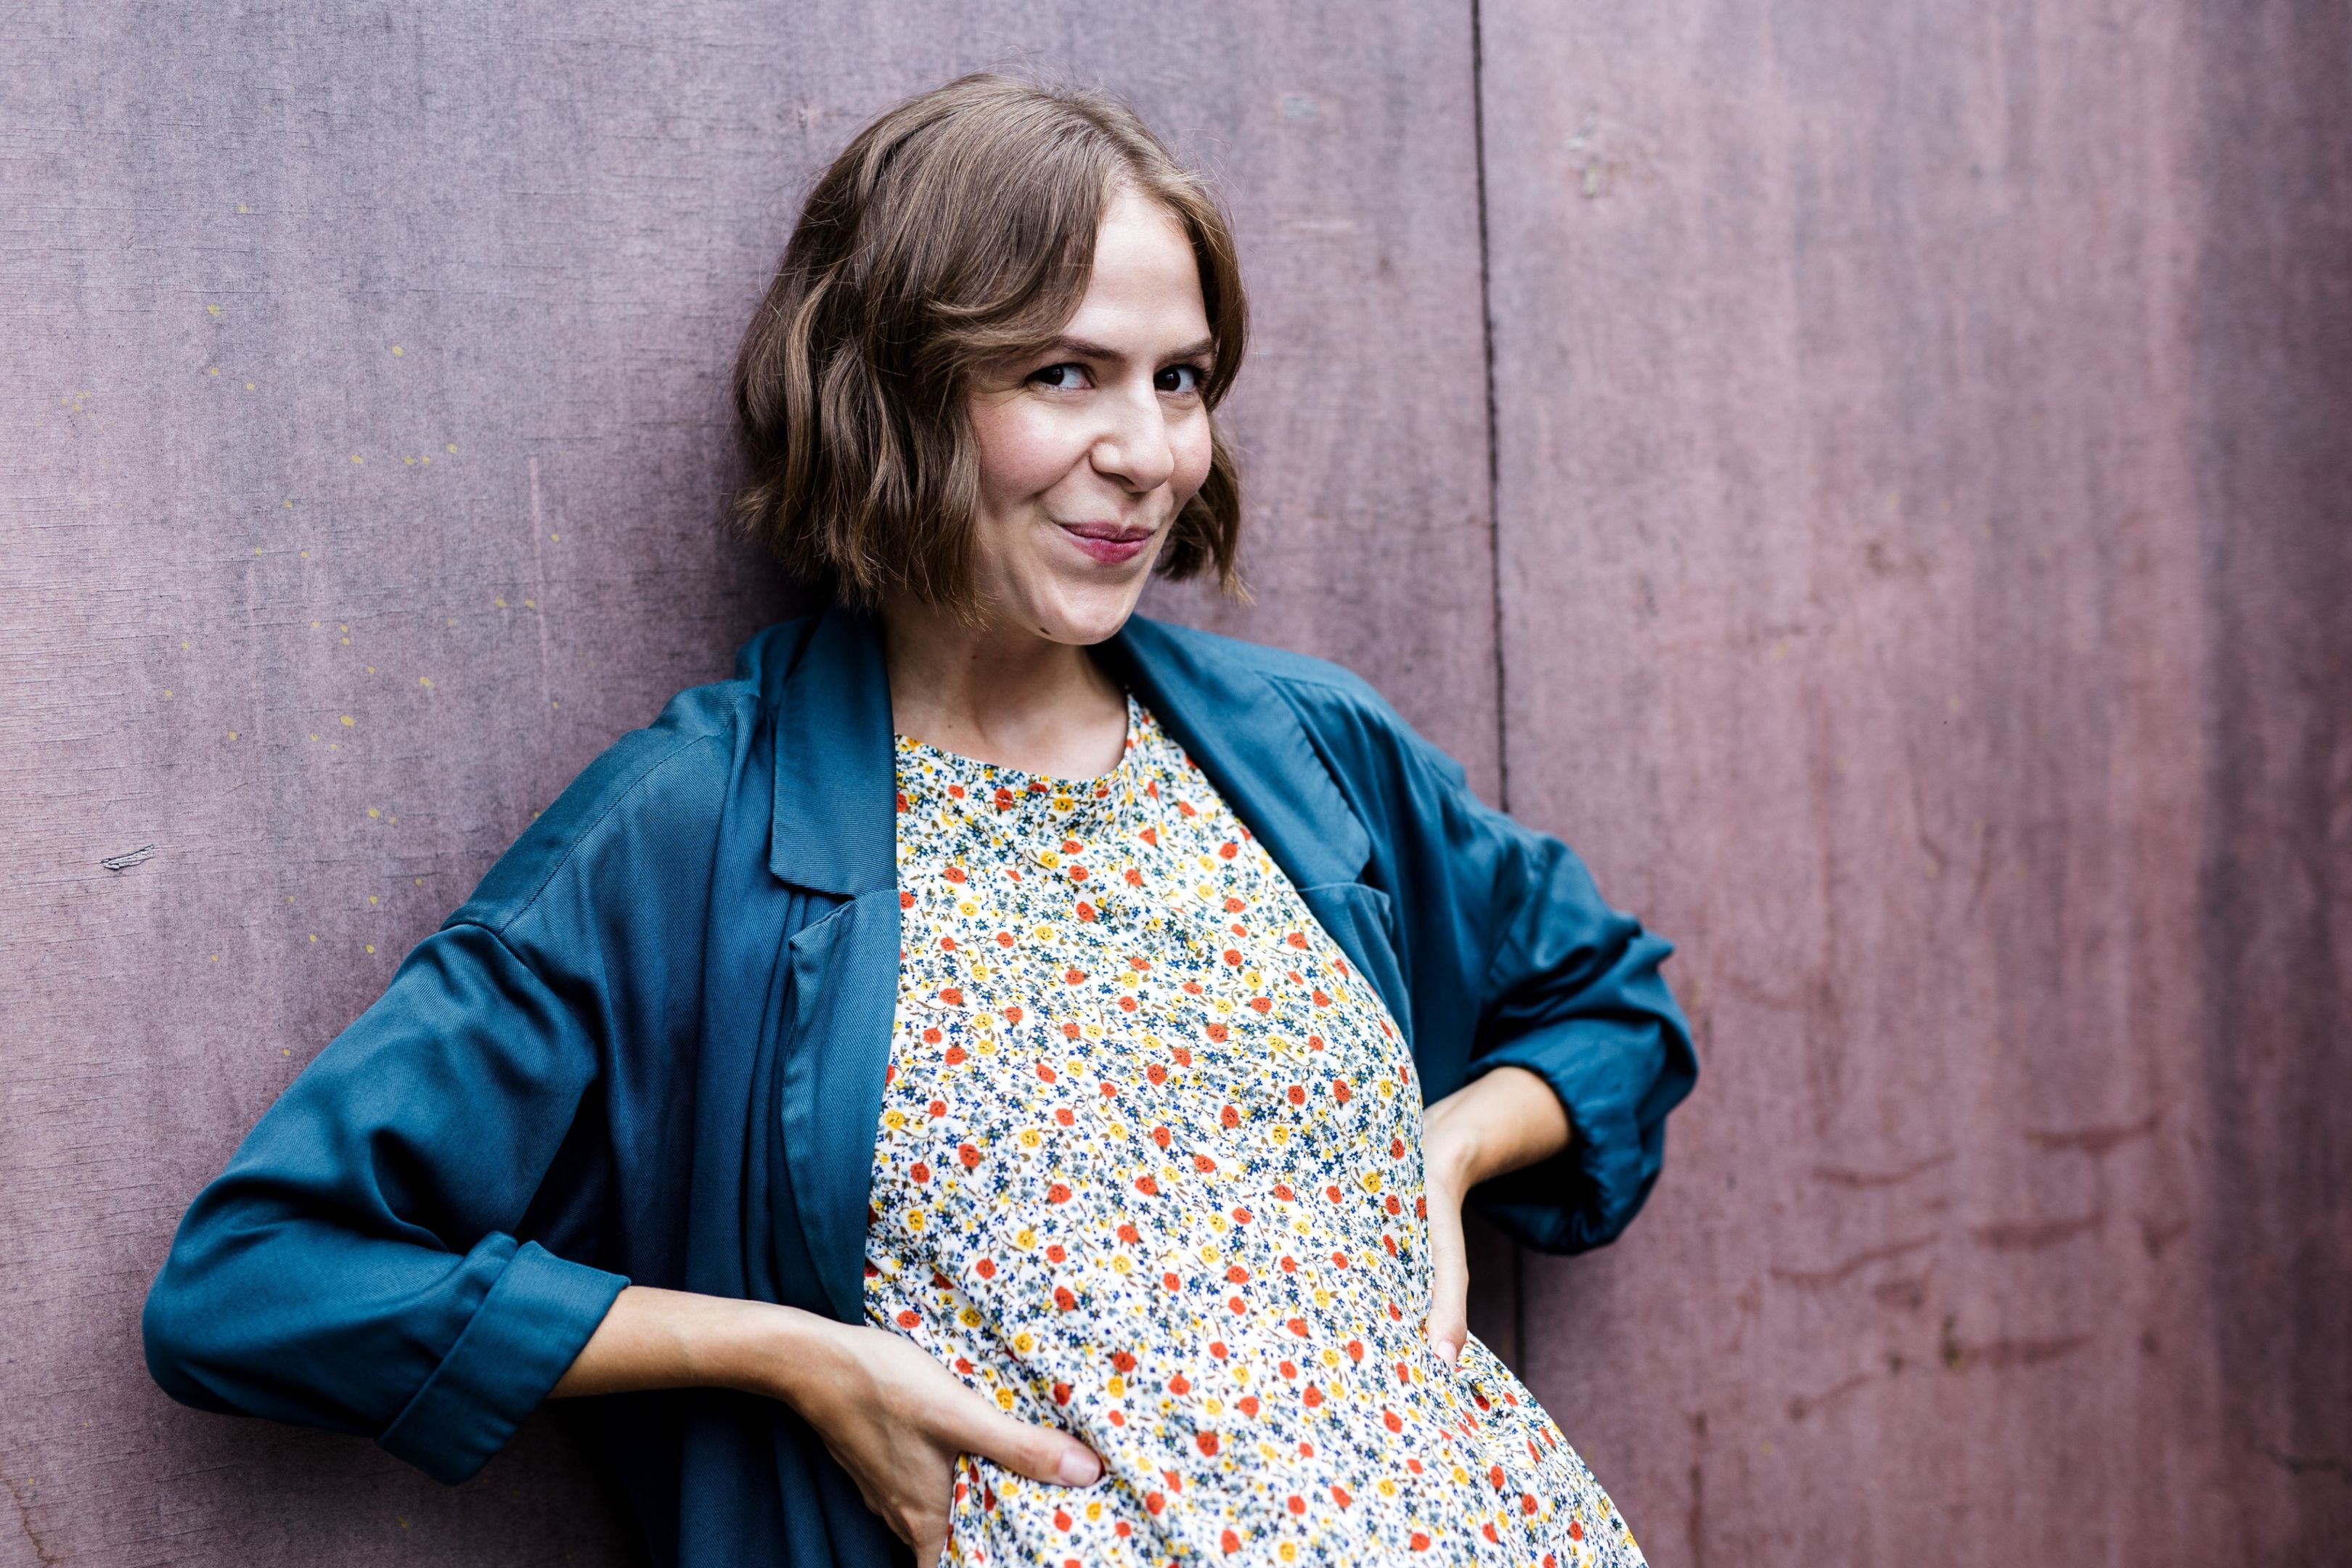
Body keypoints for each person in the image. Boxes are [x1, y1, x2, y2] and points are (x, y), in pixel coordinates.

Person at [142, 73, 1697, 1568]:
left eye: (1180, 379)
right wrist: (785, 1354)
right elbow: (260, 1278)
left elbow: (1612, 1006)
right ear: (889, 387)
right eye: (1063, 373)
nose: (1147, 453)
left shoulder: (1302, 747)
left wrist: (1444, 1146)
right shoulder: (694, 827)